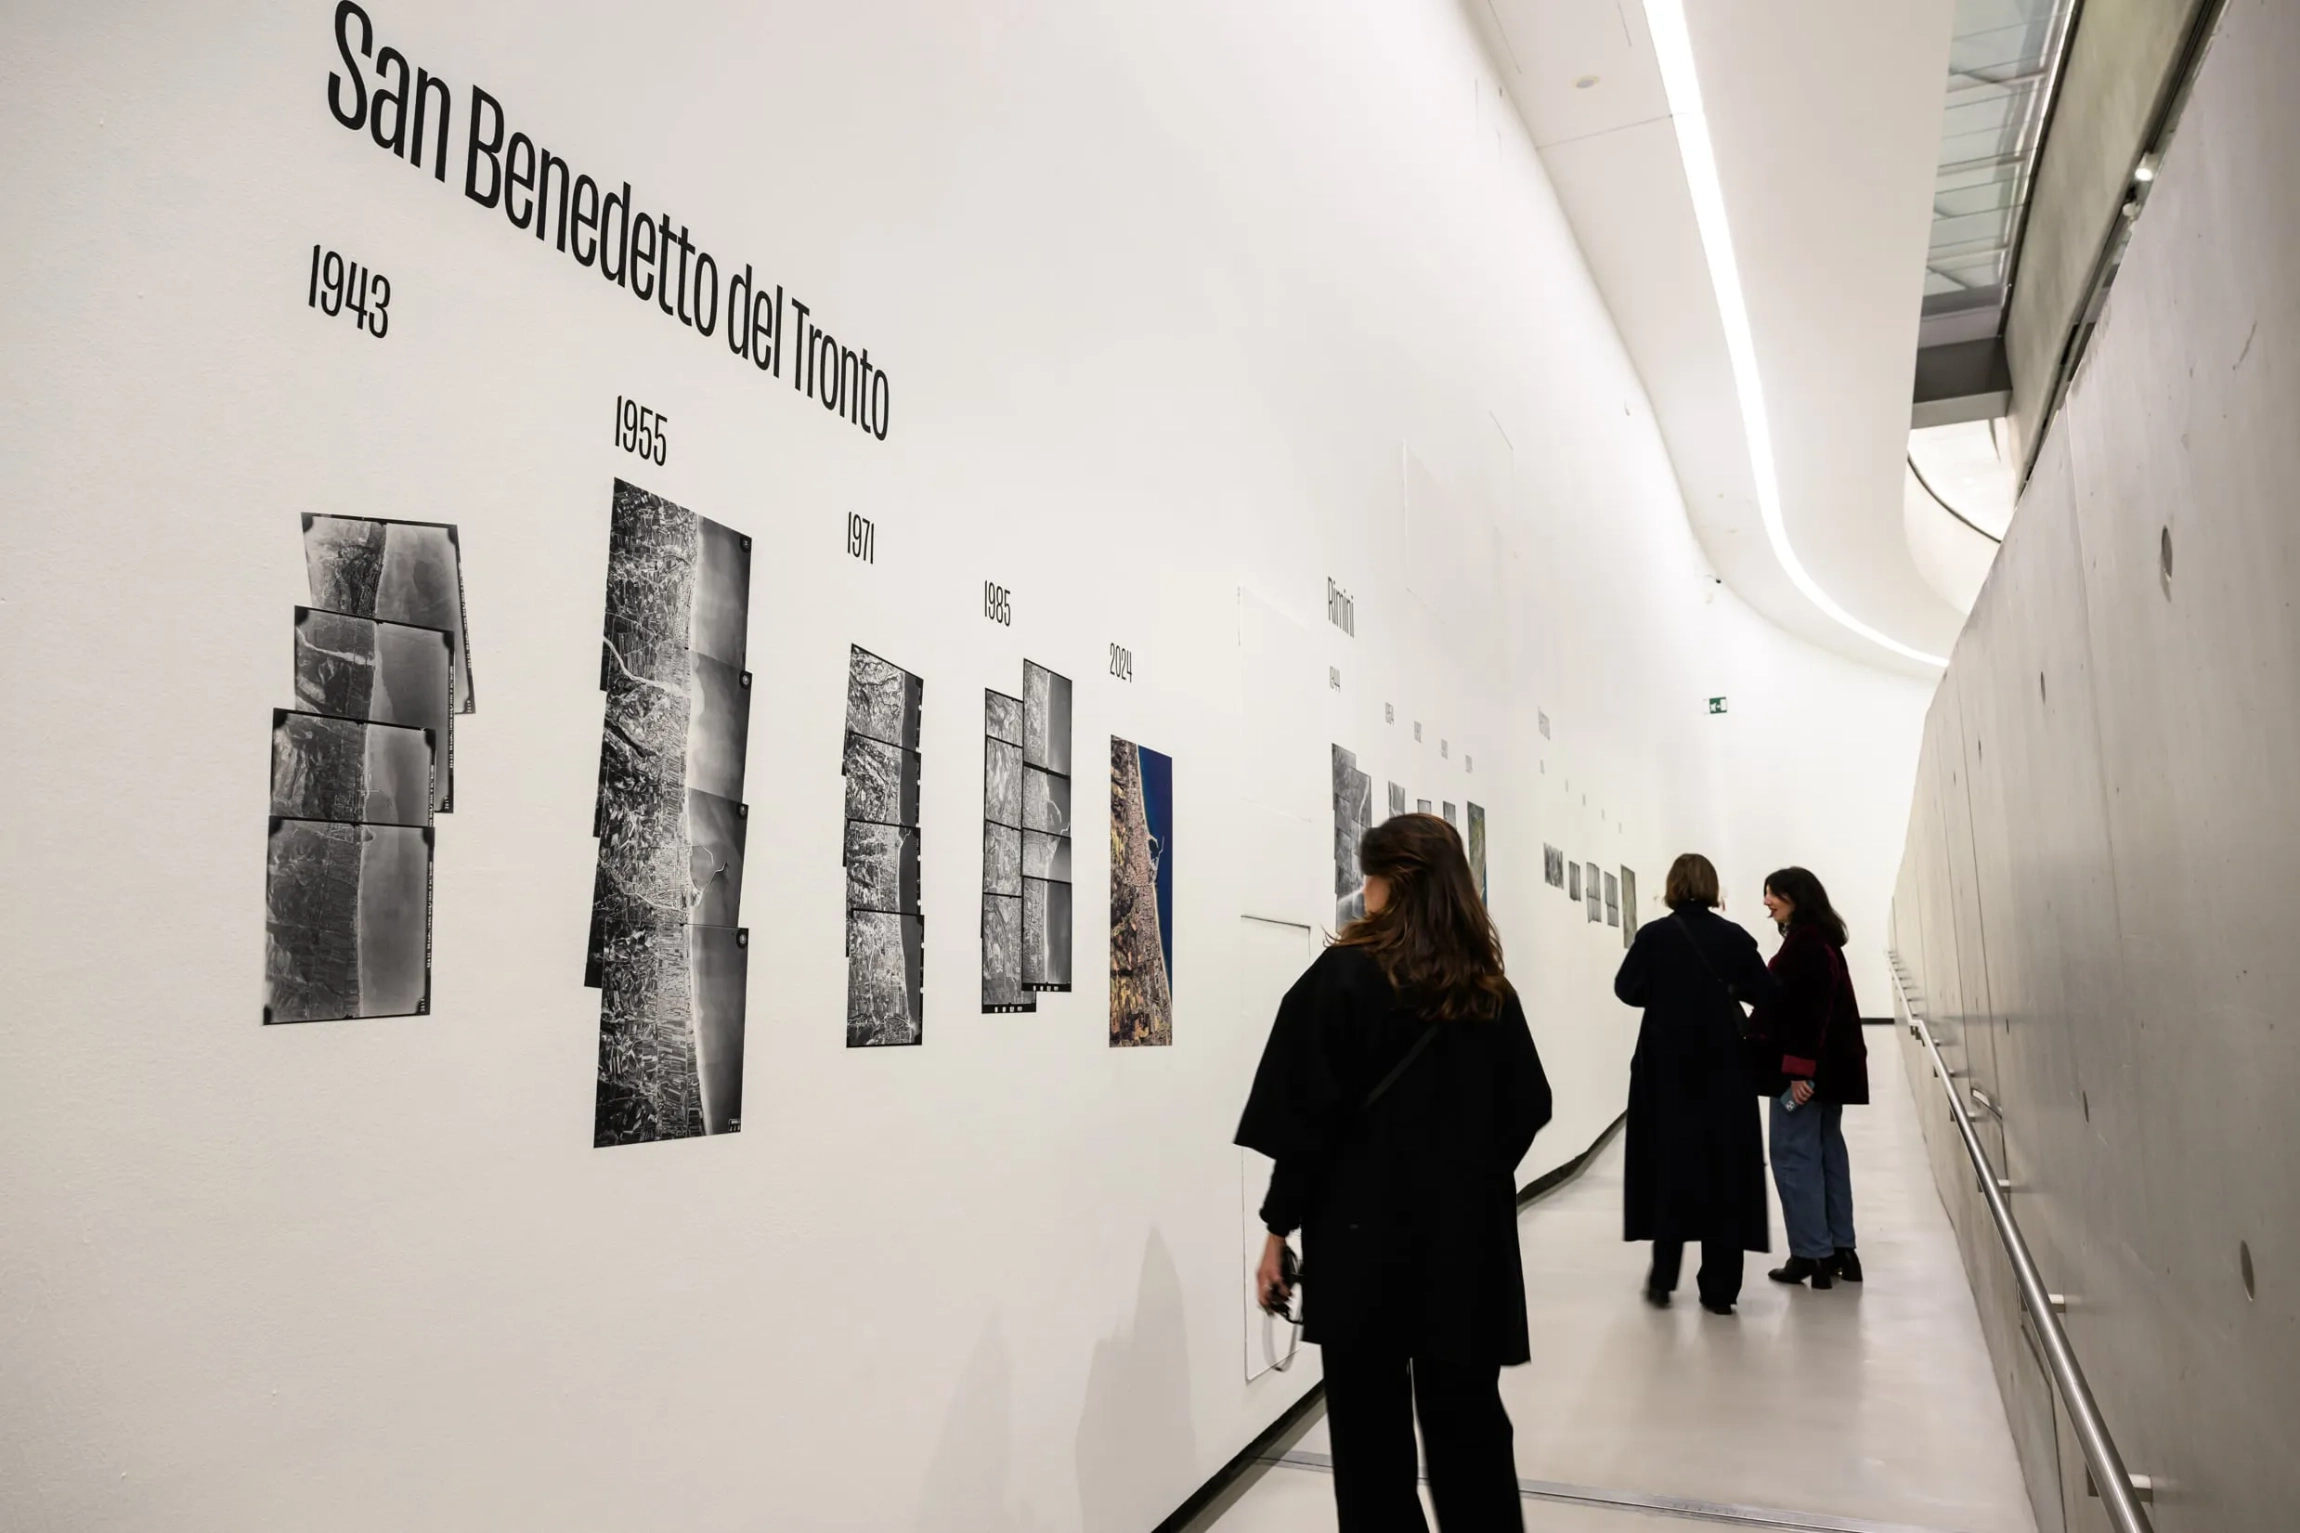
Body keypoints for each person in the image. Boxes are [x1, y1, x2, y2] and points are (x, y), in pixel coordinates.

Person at [1236, 813, 1552, 1532]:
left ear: (1393, 885)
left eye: (1371, 877)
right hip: (1465, 1245)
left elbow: (1305, 1126)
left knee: (1369, 1440)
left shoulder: (1340, 978)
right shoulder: (1487, 991)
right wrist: (1468, 1176)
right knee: (1470, 1428)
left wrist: (1278, 1230)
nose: (1365, 891)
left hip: (1360, 1242)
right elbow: (1530, 1106)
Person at [1612, 853, 1781, 1314]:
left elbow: (1626, 989)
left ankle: (1663, 1277)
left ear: (1672, 886)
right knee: (1724, 1166)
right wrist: (1726, 993)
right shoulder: (1733, 937)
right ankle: (1720, 1289)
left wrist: (1665, 995)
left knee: (1669, 1163)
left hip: (1664, 1067)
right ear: (1712, 888)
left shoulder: (1653, 936)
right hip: (1724, 1067)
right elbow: (1767, 994)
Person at [1752, 867, 1869, 1288]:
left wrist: (1798, 1072)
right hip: (1828, 1073)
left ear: (1796, 897)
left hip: (1802, 1075)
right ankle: (1841, 1250)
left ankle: (1810, 1254)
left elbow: (1809, 1011)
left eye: (1773, 893)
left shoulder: (1806, 945)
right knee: (1826, 1155)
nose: (1766, 901)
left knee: (1793, 1157)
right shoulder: (1822, 940)